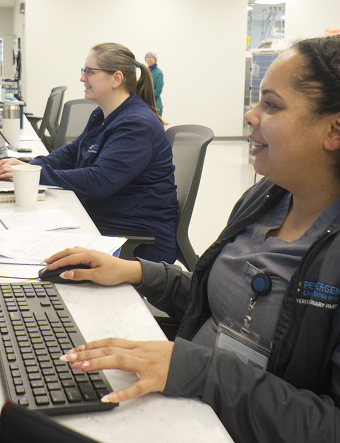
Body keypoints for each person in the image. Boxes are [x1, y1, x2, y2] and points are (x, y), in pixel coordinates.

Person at [43, 36, 340, 443]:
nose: (251, 116)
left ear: (334, 128)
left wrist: (199, 370)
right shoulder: (265, 198)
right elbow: (216, 299)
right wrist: (136, 271)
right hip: (190, 403)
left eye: (271, 104)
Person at [0, 42, 178, 263]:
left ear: (116, 79)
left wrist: (34, 174)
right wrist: (31, 166)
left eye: (90, 72)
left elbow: (98, 181)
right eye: (84, 71)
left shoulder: (136, 126)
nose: (83, 78)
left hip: (136, 238)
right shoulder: (103, 115)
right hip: (107, 218)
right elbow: (72, 153)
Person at [145, 51, 164, 117]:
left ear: (155, 59)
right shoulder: (146, 72)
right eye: (147, 57)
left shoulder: (158, 72)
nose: (149, 59)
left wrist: (147, 96)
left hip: (155, 105)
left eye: (151, 57)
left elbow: (158, 90)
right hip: (146, 104)